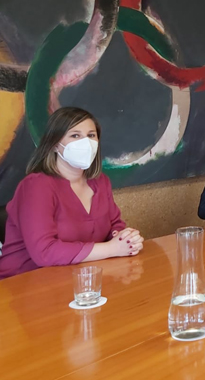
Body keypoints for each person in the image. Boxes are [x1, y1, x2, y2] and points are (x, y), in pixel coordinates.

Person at [0, 107, 143, 279]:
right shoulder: (36, 186)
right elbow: (44, 252)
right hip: (24, 282)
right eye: (75, 135)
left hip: (79, 276)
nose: (85, 142)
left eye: (91, 135)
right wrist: (112, 249)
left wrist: (123, 238)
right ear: (54, 144)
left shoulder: (100, 182)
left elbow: (114, 224)